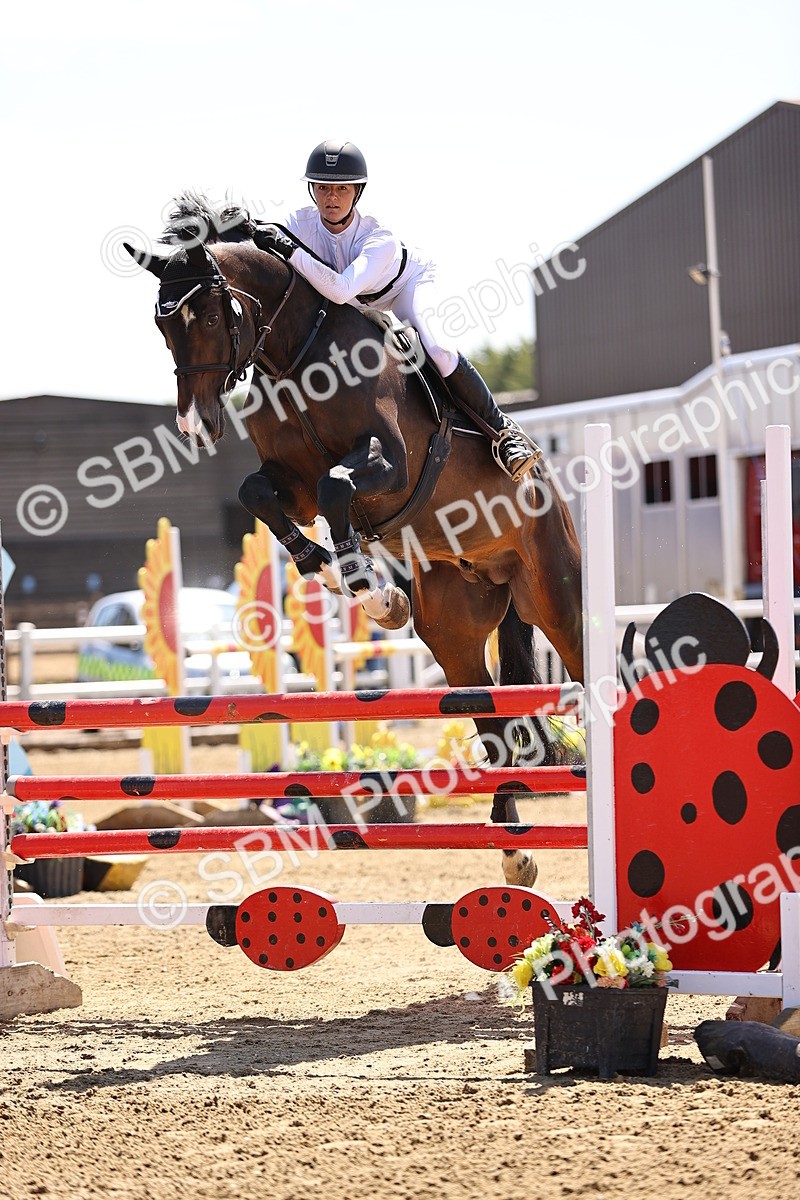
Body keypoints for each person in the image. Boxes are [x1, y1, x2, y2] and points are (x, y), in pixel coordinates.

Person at [254, 139, 541, 481]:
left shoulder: (379, 237)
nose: (331, 198)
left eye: (341, 189)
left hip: (404, 288)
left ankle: (504, 434)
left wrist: (287, 247)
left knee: (438, 350)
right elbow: (264, 248)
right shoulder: (299, 222)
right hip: (358, 300)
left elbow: (342, 290)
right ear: (312, 190)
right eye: (323, 188)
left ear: (357, 192)